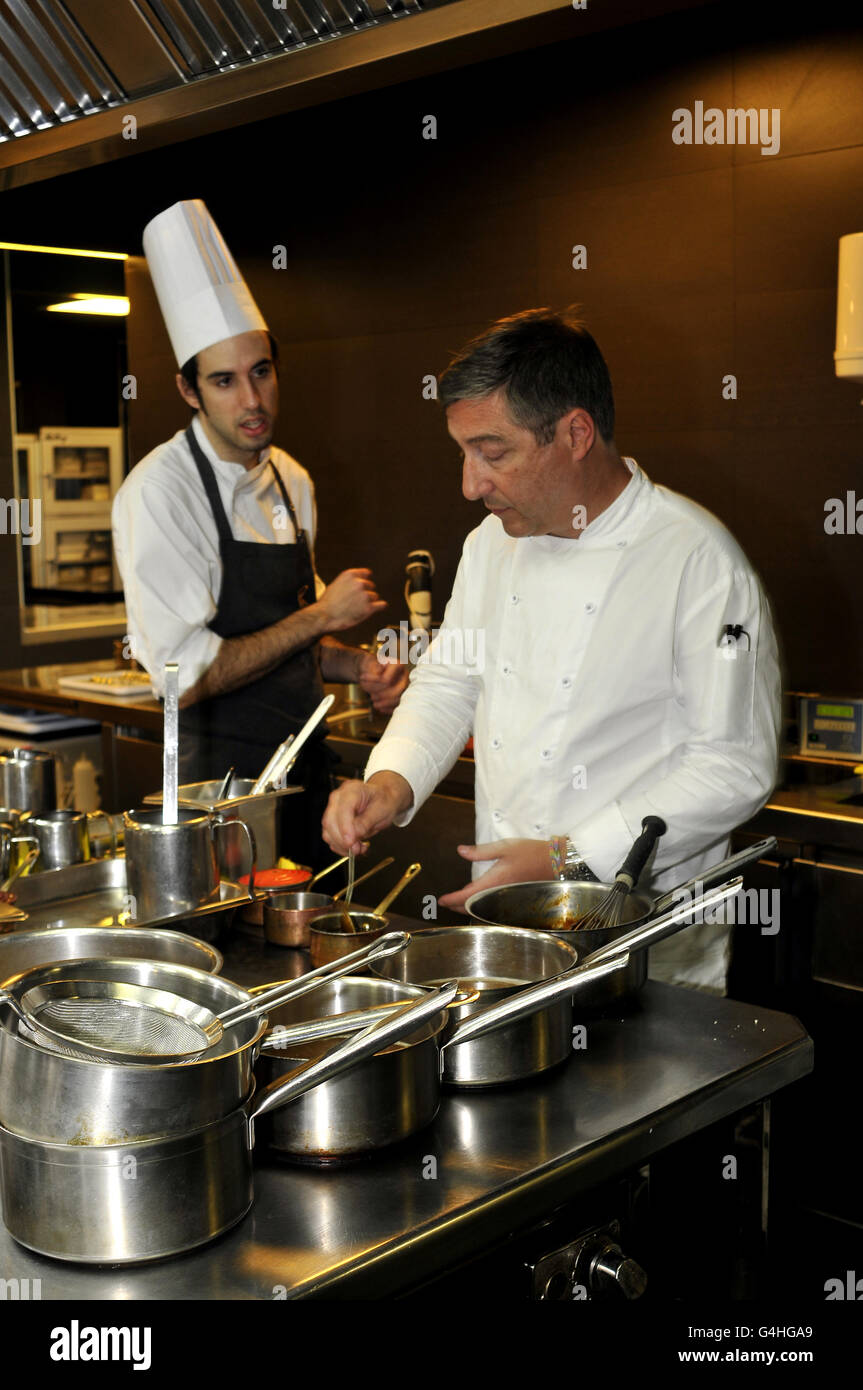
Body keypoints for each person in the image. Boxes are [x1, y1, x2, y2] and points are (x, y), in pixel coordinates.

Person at [322, 309, 782, 992]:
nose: (469, 484)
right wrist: (394, 780)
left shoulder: (696, 560)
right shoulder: (490, 545)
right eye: (463, 452)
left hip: (642, 941)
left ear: (574, 433)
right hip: (507, 929)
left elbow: (733, 765)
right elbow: (450, 681)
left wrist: (571, 857)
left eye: (492, 452)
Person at [113, 200, 406, 867]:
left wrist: (356, 665)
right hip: (218, 803)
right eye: (223, 381)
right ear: (188, 391)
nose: (251, 401)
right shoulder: (161, 495)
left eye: (261, 372)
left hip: (303, 780)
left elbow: (283, 637)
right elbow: (182, 681)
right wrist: (320, 617)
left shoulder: (290, 481)